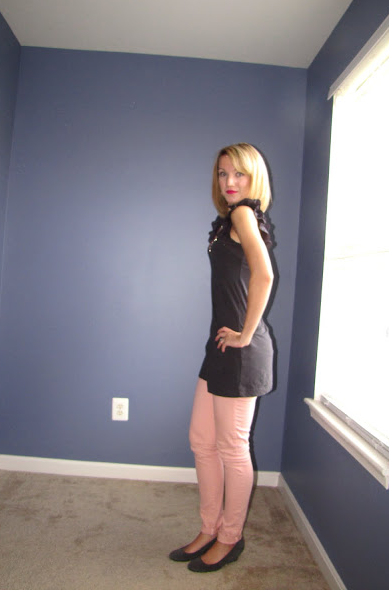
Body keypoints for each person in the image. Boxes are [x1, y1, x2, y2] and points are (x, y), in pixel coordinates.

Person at [169, 143, 274, 573]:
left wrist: (245, 334)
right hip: (219, 348)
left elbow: (265, 275)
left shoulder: (243, 214)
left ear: (254, 179)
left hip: (241, 352)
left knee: (232, 448)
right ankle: (209, 527)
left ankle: (230, 537)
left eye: (239, 174)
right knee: (202, 440)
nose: (229, 182)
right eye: (222, 173)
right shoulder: (229, 220)